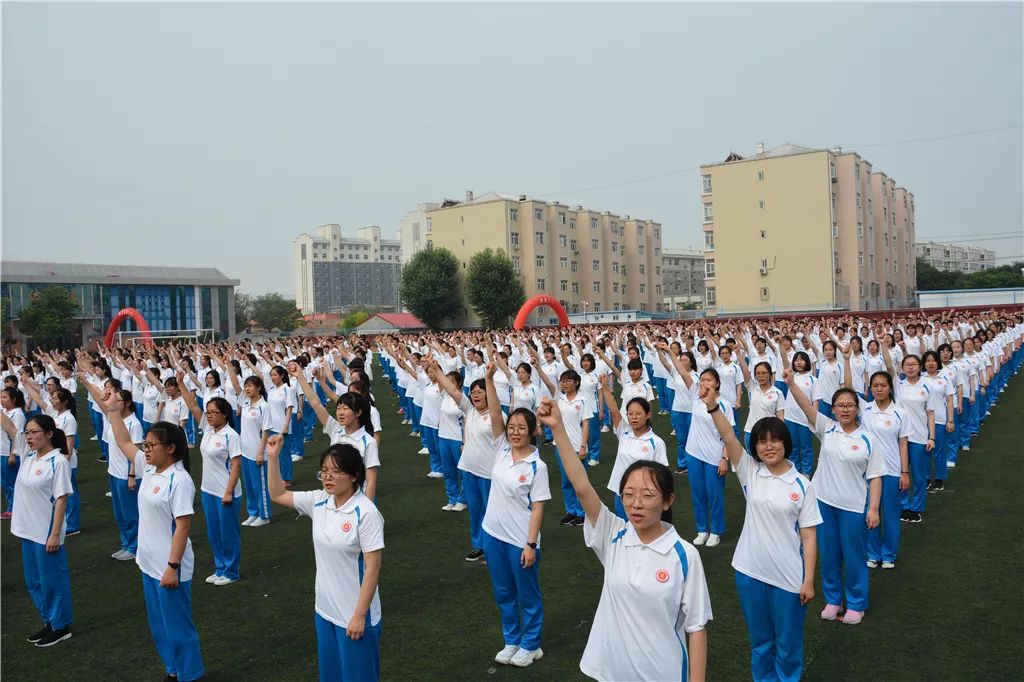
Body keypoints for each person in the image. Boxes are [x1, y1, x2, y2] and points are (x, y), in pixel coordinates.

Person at [537, 396, 710, 681]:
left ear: (668, 501)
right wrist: (557, 429)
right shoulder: (614, 534)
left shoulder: (684, 554)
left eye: (647, 495)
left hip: (662, 673)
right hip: (612, 671)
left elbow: (696, 629)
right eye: (629, 495)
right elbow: (582, 488)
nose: (636, 504)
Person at [702, 382, 821, 681]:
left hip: (788, 577)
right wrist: (713, 405)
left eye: (775, 440)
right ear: (754, 446)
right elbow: (728, 436)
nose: (768, 446)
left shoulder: (803, 485)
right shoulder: (750, 473)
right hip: (750, 572)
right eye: (761, 441)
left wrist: (807, 581)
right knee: (761, 644)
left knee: (788, 644)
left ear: (785, 443)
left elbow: (809, 536)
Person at [265, 435, 384, 681]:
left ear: (354, 476)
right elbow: (277, 494)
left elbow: (373, 567)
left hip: (354, 615)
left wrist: (360, 616)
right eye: (324, 471)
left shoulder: (367, 513)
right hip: (325, 610)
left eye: (336, 472)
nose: (328, 477)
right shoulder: (319, 501)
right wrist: (273, 458)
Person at [106, 407, 205, 682]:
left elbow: (183, 526)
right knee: (160, 626)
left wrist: (172, 567)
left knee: (177, 626)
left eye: (151, 445)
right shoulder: (149, 470)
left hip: (169, 566)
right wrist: (114, 411)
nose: (146, 450)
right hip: (148, 563)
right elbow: (125, 442)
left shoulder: (180, 480)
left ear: (171, 448)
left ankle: (190, 674)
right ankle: (172, 669)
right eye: (146, 445)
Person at [784, 369, 882, 625]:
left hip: (853, 506)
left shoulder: (869, 438)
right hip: (823, 502)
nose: (845, 410)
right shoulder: (827, 428)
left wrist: (873, 509)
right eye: (840, 405)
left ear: (857, 408)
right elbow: (806, 406)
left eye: (850, 405)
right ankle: (833, 600)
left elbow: (876, 477)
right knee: (828, 555)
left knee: (854, 556)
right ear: (834, 409)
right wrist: (792, 384)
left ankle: (856, 604)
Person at [481, 366, 550, 668]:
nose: (515, 431)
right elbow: (496, 414)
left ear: (533, 430)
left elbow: (538, 507)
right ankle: (511, 639)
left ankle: (531, 644)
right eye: (512, 427)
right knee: (504, 592)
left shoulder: (538, 467)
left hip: (520, 540)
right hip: (493, 534)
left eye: (522, 427)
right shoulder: (502, 450)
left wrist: (530, 545)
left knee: (527, 594)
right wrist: (488, 380)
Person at [2, 413, 74, 647]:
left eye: (34, 432)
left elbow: (62, 499)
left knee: (52, 581)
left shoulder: (58, 461)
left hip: (45, 533)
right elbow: (10, 427)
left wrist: (54, 534)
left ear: (49, 434)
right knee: (33, 581)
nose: (29, 437)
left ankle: (61, 626)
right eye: (27, 433)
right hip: (26, 530)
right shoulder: (29, 455)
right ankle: (49, 621)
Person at [842, 354, 910, 570]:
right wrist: (846, 360)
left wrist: (905, 472)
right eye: (875, 386)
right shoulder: (864, 408)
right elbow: (849, 386)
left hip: (890, 471)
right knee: (869, 514)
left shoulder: (900, 413)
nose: (879, 389)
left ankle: (888, 553)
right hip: (867, 472)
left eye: (883, 385)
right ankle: (872, 552)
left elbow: (903, 444)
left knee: (890, 515)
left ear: (890, 387)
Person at [179, 375, 243, 586]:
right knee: (214, 533)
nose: (209, 416)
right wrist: (180, 383)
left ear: (225, 414)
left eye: (214, 412)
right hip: (208, 490)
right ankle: (220, 567)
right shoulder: (207, 429)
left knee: (228, 534)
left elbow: (236, 465)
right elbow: (192, 405)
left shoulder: (230, 435)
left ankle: (231, 571)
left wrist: (228, 492)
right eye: (208, 412)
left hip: (226, 491)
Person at [597, 374, 668, 520]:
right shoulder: (624, 432)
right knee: (623, 527)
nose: (634, 417)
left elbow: (662, 474)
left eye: (638, 414)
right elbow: (615, 411)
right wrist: (605, 388)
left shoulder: (656, 442)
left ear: (648, 415)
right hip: (621, 490)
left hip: (643, 495)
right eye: (630, 414)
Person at [681, 367, 734, 547]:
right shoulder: (696, 397)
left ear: (717, 383)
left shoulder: (725, 405)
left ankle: (716, 530)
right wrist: (668, 351)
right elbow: (683, 372)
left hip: (714, 456)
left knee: (715, 495)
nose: (704, 383)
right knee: (698, 493)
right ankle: (702, 529)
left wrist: (724, 459)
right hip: (694, 453)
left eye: (709, 380)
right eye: (702, 380)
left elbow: (729, 436)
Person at [2, 386, 28, 519]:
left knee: (10, 482)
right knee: (5, 482)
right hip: (2, 451)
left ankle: (14, 508)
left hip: (8, 453)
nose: (1, 400)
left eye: (4, 397)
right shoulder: (5, 412)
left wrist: (13, 454)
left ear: (14, 399)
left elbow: (17, 435)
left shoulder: (17, 414)